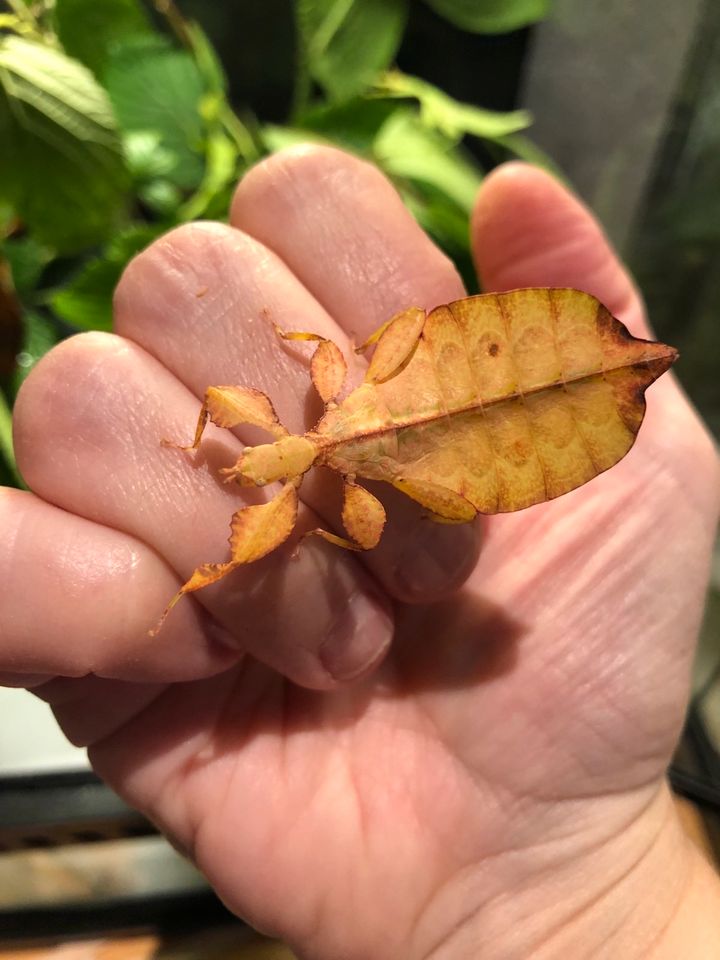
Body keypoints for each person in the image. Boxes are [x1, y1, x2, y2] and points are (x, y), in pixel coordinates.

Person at [3, 147, 719, 958]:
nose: (248, 469)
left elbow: (360, 497)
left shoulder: (335, 466)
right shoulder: (338, 435)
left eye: (248, 461)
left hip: (545, 373)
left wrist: (310, 516)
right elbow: (356, 439)